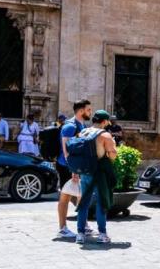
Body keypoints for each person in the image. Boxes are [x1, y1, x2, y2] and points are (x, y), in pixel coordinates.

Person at [75, 110, 118, 245]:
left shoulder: (83, 132)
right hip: (99, 173)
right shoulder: (105, 135)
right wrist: (113, 147)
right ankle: (102, 234)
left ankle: (80, 234)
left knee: (83, 203)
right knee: (102, 202)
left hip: (85, 171)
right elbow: (112, 156)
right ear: (104, 121)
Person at [56, 99, 92, 240]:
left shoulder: (81, 125)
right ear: (81, 110)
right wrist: (74, 169)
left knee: (80, 195)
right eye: (88, 109)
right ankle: (62, 228)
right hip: (67, 166)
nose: (90, 112)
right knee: (65, 197)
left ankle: (84, 225)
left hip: (76, 167)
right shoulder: (69, 126)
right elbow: (66, 151)